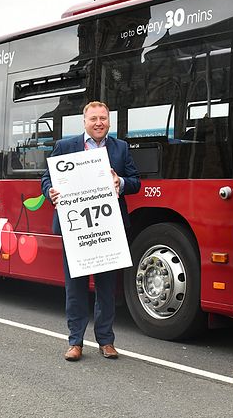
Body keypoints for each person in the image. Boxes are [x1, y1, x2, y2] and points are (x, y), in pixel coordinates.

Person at [41, 101, 141, 362]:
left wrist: (121, 182)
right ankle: (75, 342)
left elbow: (136, 181)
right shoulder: (65, 146)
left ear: (109, 121)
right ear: (84, 122)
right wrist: (50, 191)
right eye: (94, 118)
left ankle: (106, 341)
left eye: (103, 119)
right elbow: (46, 178)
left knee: (107, 287)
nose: (99, 123)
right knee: (75, 287)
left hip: (108, 227)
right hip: (75, 228)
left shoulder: (120, 148)